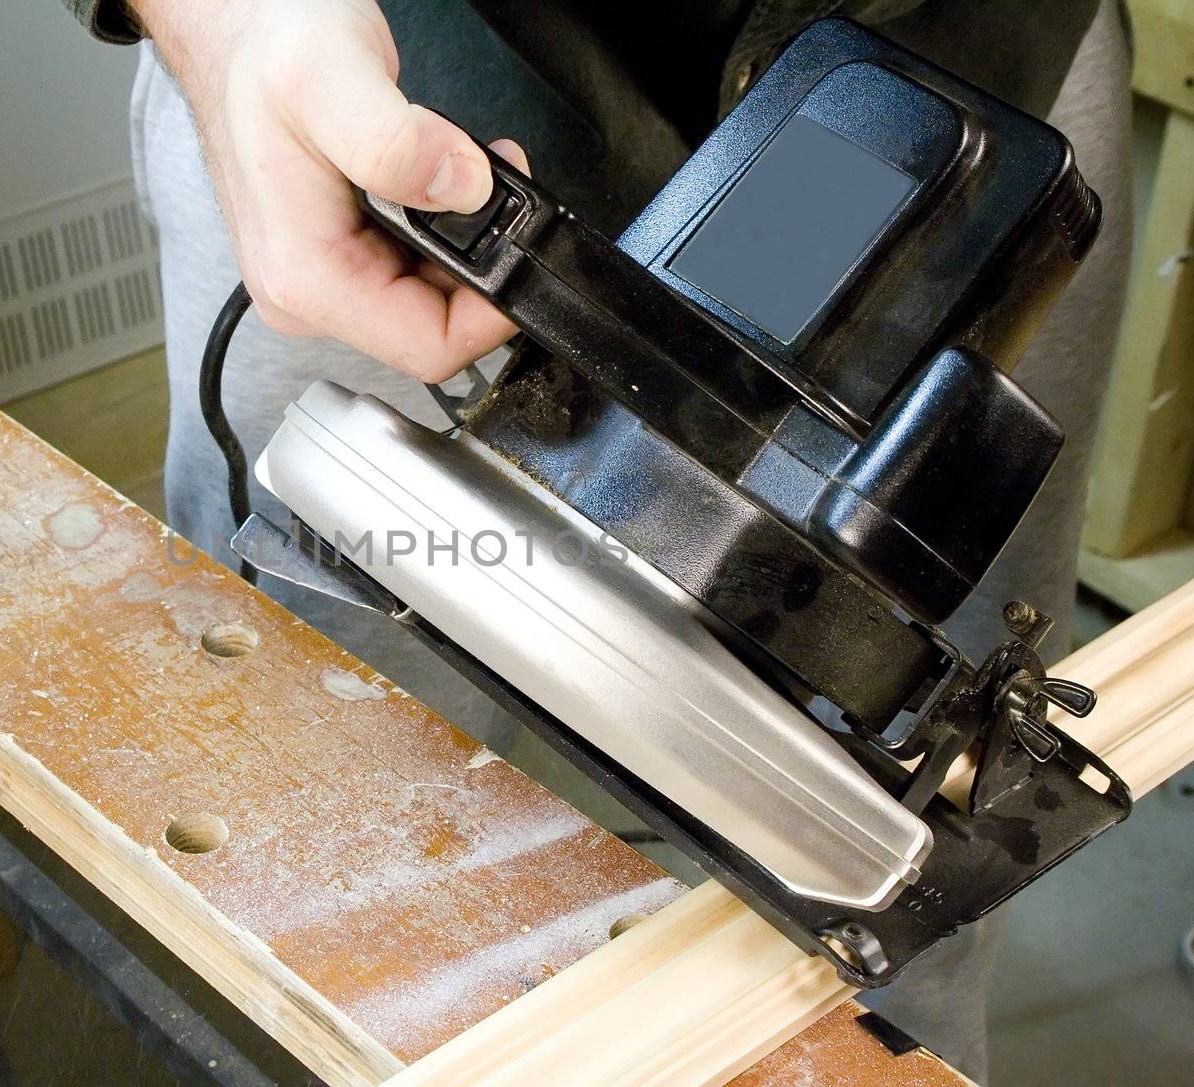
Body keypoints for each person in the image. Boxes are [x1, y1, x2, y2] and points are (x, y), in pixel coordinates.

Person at [64, 1, 1133, 1079]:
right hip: (383, 98)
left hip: (978, 77)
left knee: (905, 930)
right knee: (282, 856)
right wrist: (227, 27)